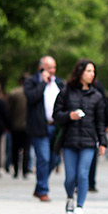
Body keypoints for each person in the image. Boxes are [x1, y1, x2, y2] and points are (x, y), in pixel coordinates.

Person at [53, 59, 108, 214]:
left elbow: (100, 122)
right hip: (69, 140)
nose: (92, 74)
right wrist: (69, 116)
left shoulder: (97, 96)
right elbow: (56, 114)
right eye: (88, 71)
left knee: (83, 175)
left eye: (93, 72)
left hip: (88, 141)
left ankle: (80, 207)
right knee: (70, 177)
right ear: (80, 72)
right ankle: (70, 197)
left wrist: (102, 142)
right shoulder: (66, 92)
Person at [24, 56, 65, 202]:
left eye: (53, 67)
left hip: (56, 127)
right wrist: (42, 82)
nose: (52, 71)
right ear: (41, 68)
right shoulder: (32, 82)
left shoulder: (59, 83)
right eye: (48, 68)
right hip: (40, 127)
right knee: (43, 159)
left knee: (54, 159)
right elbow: (32, 98)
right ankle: (43, 191)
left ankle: (39, 186)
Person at [7, 75, 31, 179]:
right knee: (27, 149)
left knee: (15, 149)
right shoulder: (32, 93)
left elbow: (8, 110)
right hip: (28, 126)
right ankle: (25, 170)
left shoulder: (14, 93)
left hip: (15, 126)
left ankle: (16, 170)